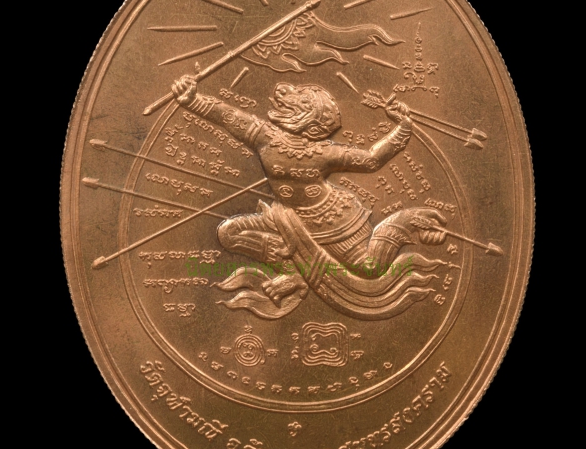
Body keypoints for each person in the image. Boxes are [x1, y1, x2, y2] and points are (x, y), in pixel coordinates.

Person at [172, 77, 447, 304]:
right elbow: (229, 116)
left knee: (370, 268)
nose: (283, 95)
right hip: (286, 217)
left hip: (333, 220)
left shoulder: (325, 152)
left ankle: (406, 222)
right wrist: (193, 100)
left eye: (301, 102)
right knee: (229, 232)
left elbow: (372, 160)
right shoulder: (265, 137)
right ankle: (293, 273)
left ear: (312, 121)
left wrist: (403, 128)